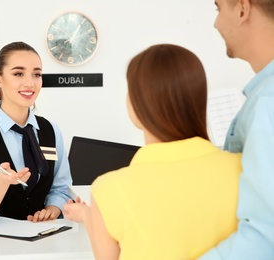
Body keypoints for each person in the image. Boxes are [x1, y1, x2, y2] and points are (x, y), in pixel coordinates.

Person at [62, 44, 242, 260]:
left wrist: (92, 216)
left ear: (137, 105)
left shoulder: (109, 189)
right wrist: (88, 214)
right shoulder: (243, 169)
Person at [0, 41, 72, 225]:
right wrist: (1, 182)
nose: (30, 83)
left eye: (37, 74)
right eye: (18, 73)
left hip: (45, 235)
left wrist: (52, 209)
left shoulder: (51, 130)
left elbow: (61, 187)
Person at [198, 0, 274, 259]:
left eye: (218, 8)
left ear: (242, 9)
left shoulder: (267, 102)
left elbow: (266, 236)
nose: (216, 22)